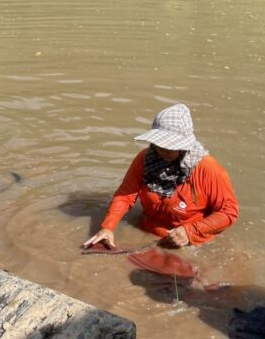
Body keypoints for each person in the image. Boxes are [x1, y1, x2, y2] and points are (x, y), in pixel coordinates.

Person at [83, 104, 238, 250]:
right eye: (159, 144)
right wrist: (107, 228)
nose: (163, 149)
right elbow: (125, 195)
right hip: (145, 235)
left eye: (170, 146)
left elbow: (228, 212)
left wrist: (190, 231)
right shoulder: (145, 159)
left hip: (189, 244)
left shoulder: (208, 168)